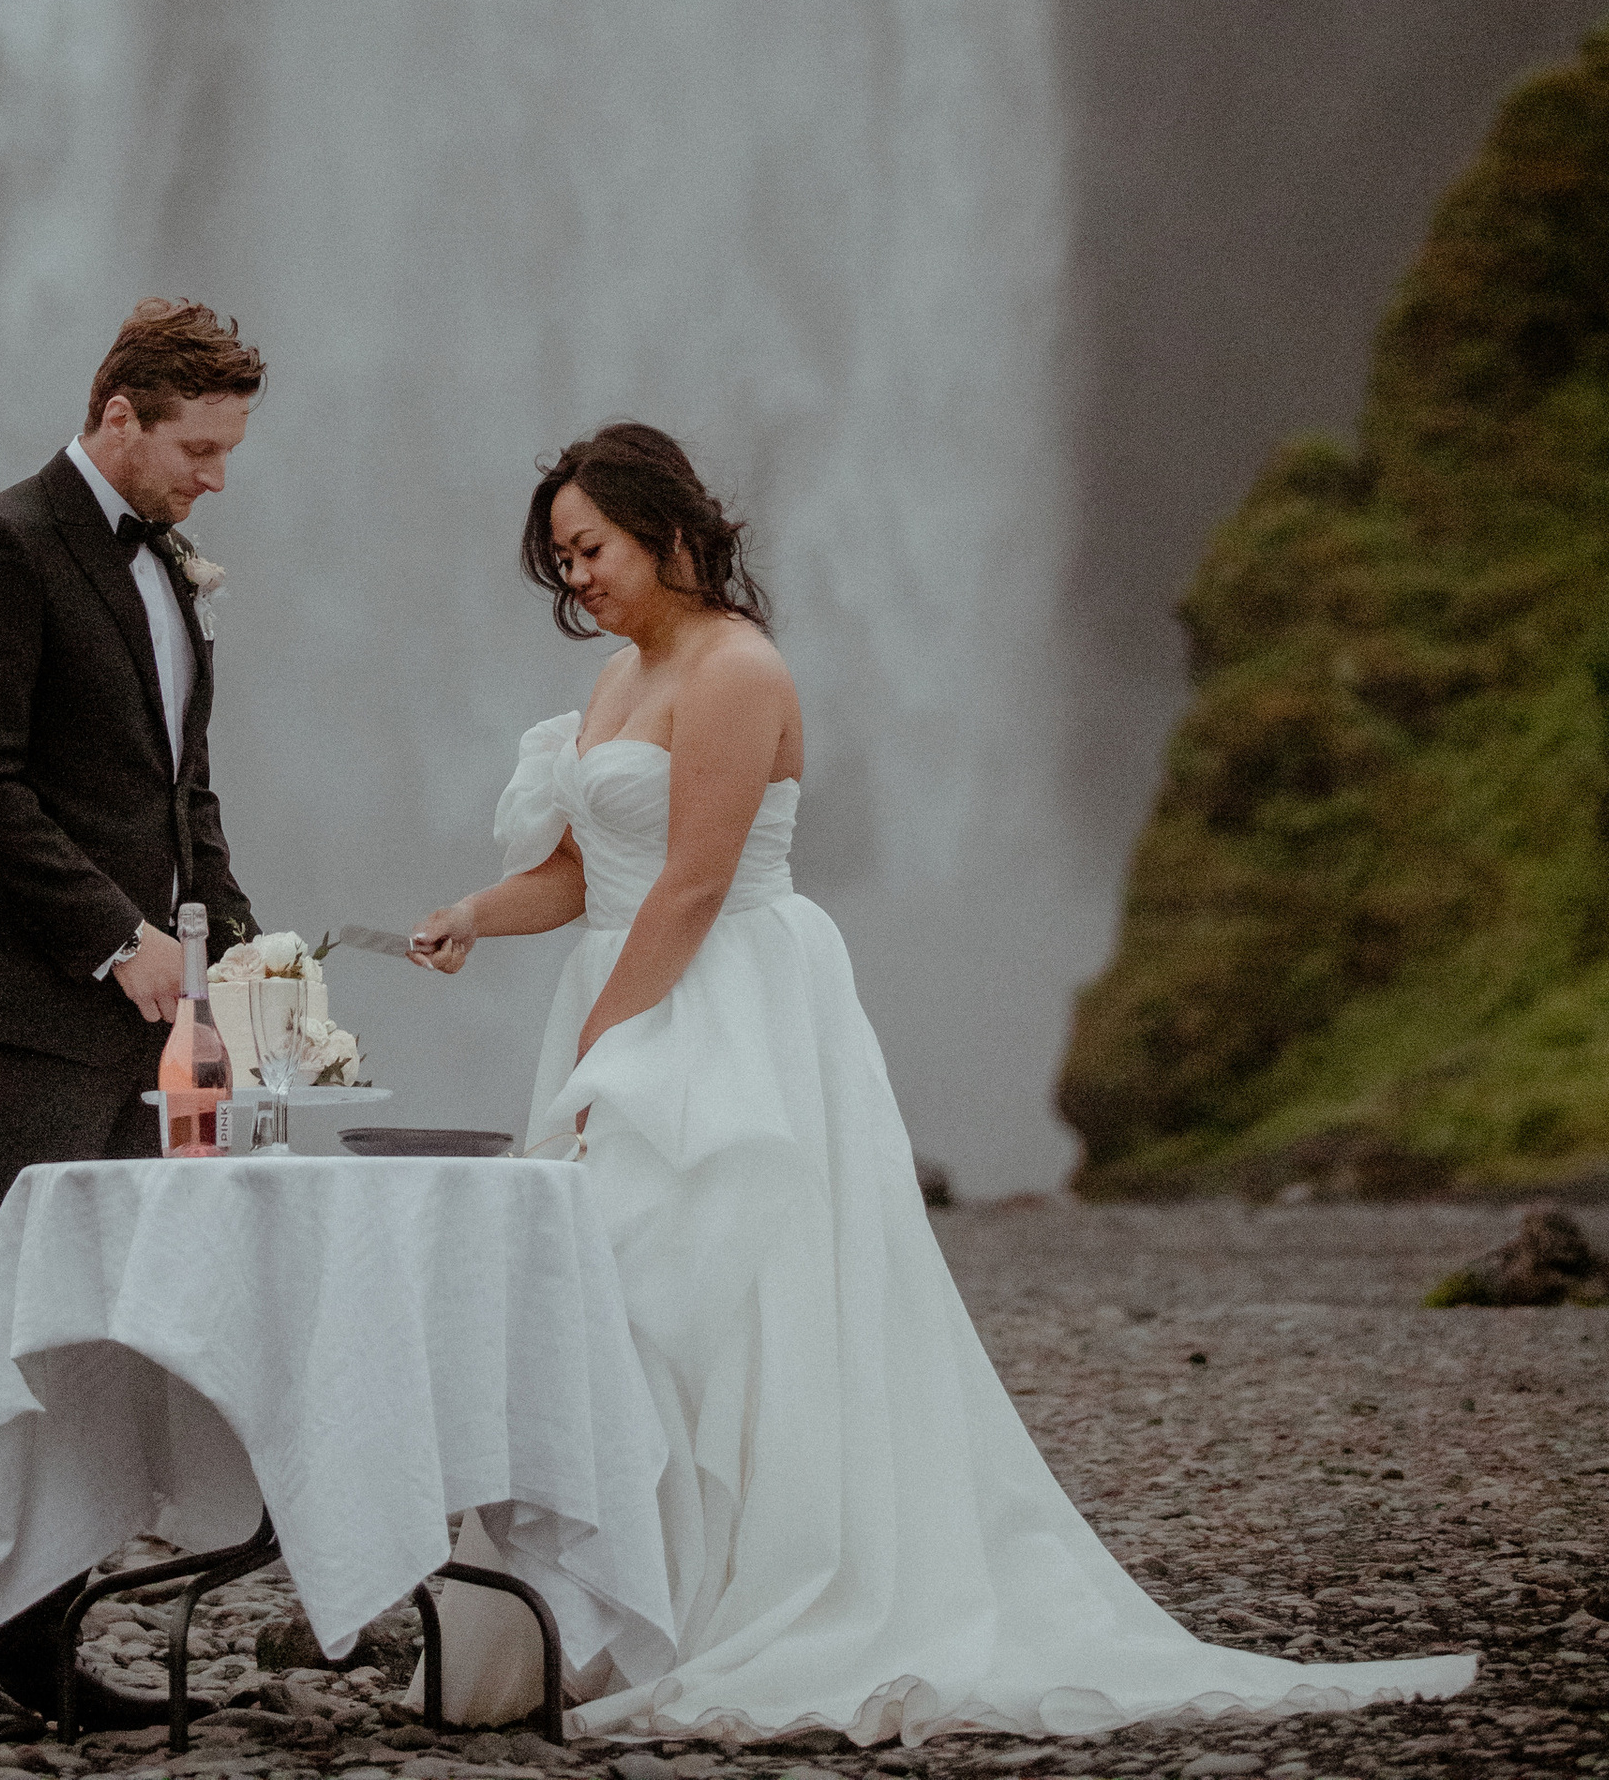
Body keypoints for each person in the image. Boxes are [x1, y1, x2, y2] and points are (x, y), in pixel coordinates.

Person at [412, 421, 1478, 1745]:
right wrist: (475, 909)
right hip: (625, 988)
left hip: (722, 1003)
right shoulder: (620, 680)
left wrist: (600, 1059)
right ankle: (613, 1616)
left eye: (592, 549)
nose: (579, 581)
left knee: (705, 1294)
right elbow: (586, 875)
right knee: (603, 1299)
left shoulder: (738, 670)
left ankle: (714, 1603)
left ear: (670, 530)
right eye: (563, 561)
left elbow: (690, 886)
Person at [0, 296, 263, 1744]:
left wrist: (235, 935)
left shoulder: (168, 569)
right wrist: (118, 942)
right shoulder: (2, 549)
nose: (216, 477)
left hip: (128, 1023)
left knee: (91, 1343)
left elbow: (183, 794)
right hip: (23, 1013)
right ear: (120, 414)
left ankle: (45, 1647)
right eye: (200, 447)